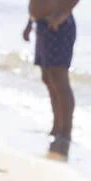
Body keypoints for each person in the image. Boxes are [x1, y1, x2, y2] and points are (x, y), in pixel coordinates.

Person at [24, 0, 80, 160]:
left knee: (60, 79)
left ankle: (66, 133)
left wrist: (62, 15)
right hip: (42, 25)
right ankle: (57, 127)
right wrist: (30, 22)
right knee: (48, 78)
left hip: (58, 26)